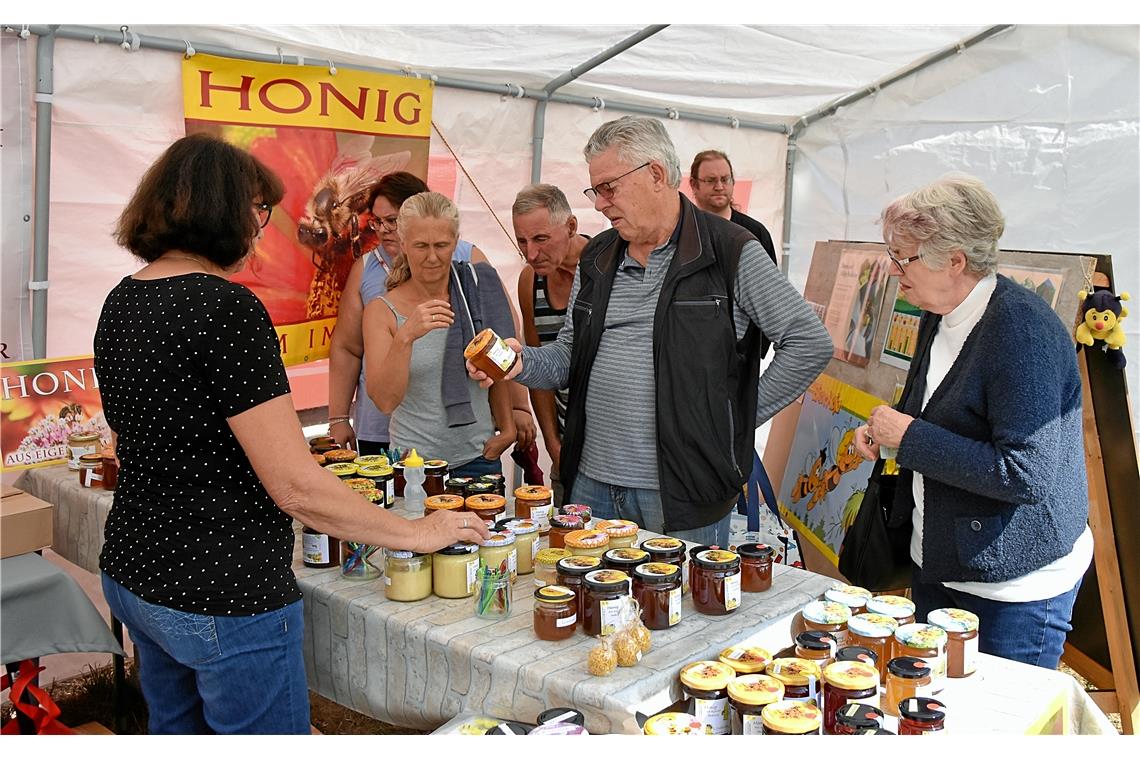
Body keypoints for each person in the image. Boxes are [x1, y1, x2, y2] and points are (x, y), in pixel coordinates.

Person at [93, 135, 489, 735]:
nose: (262, 226)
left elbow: (135, 439)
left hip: (135, 569)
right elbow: (294, 486)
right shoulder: (225, 309)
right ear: (217, 208)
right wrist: (415, 532)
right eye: (257, 208)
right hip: (221, 588)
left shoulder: (122, 300)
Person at [470, 116, 833, 545]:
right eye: (596, 190)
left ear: (656, 174)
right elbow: (570, 355)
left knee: (676, 608)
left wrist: (734, 420)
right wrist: (518, 361)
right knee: (594, 608)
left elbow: (808, 342)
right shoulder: (599, 256)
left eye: (609, 188)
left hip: (682, 493)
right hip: (590, 485)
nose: (601, 204)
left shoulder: (730, 250)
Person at [852, 173, 1092, 669]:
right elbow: (944, 414)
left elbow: (1026, 473)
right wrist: (888, 434)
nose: (896, 270)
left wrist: (911, 437)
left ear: (955, 260)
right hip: (941, 561)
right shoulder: (938, 311)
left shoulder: (1021, 333)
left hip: (1013, 586)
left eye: (905, 257)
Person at [327, 172, 489, 455]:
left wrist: (515, 411)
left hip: (465, 439)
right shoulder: (367, 269)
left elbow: (503, 337)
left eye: (392, 220)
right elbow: (347, 348)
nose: (384, 230)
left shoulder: (468, 260)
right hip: (382, 425)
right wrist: (338, 417)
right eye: (377, 222)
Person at [363, 191, 518, 478]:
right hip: (414, 467)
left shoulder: (475, 285)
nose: (432, 257)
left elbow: (499, 364)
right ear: (403, 244)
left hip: (479, 459)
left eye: (442, 245)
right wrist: (406, 336)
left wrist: (507, 429)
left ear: (456, 243)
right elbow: (385, 400)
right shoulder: (382, 311)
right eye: (421, 246)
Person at [512, 184, 588, 505]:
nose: (531, 254)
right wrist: (553, 445)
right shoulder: (531, 280)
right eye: (522, 241)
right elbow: (539, 371)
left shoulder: (606, 267)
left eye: (541, 239)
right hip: (568, 446)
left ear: (571, 226)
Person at [689, 149, 777, 265]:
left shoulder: (756, 232)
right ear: (694, 185)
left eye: (725, 179)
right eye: (711, 180)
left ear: (733, 182)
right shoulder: (682, 231)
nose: (719, 187)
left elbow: (768, 281)